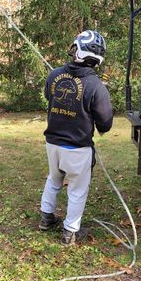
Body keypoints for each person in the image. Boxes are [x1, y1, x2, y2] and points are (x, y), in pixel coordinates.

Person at [39, 30, 113, 245]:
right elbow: (105, 123)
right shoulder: (96, 86)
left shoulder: (54, 75)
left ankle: (46, 217)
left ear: (77, 49)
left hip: (52, 143)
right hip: (77, 148)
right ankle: (70, 232)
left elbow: (49, 97)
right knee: (77, 190)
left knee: (54, 179)